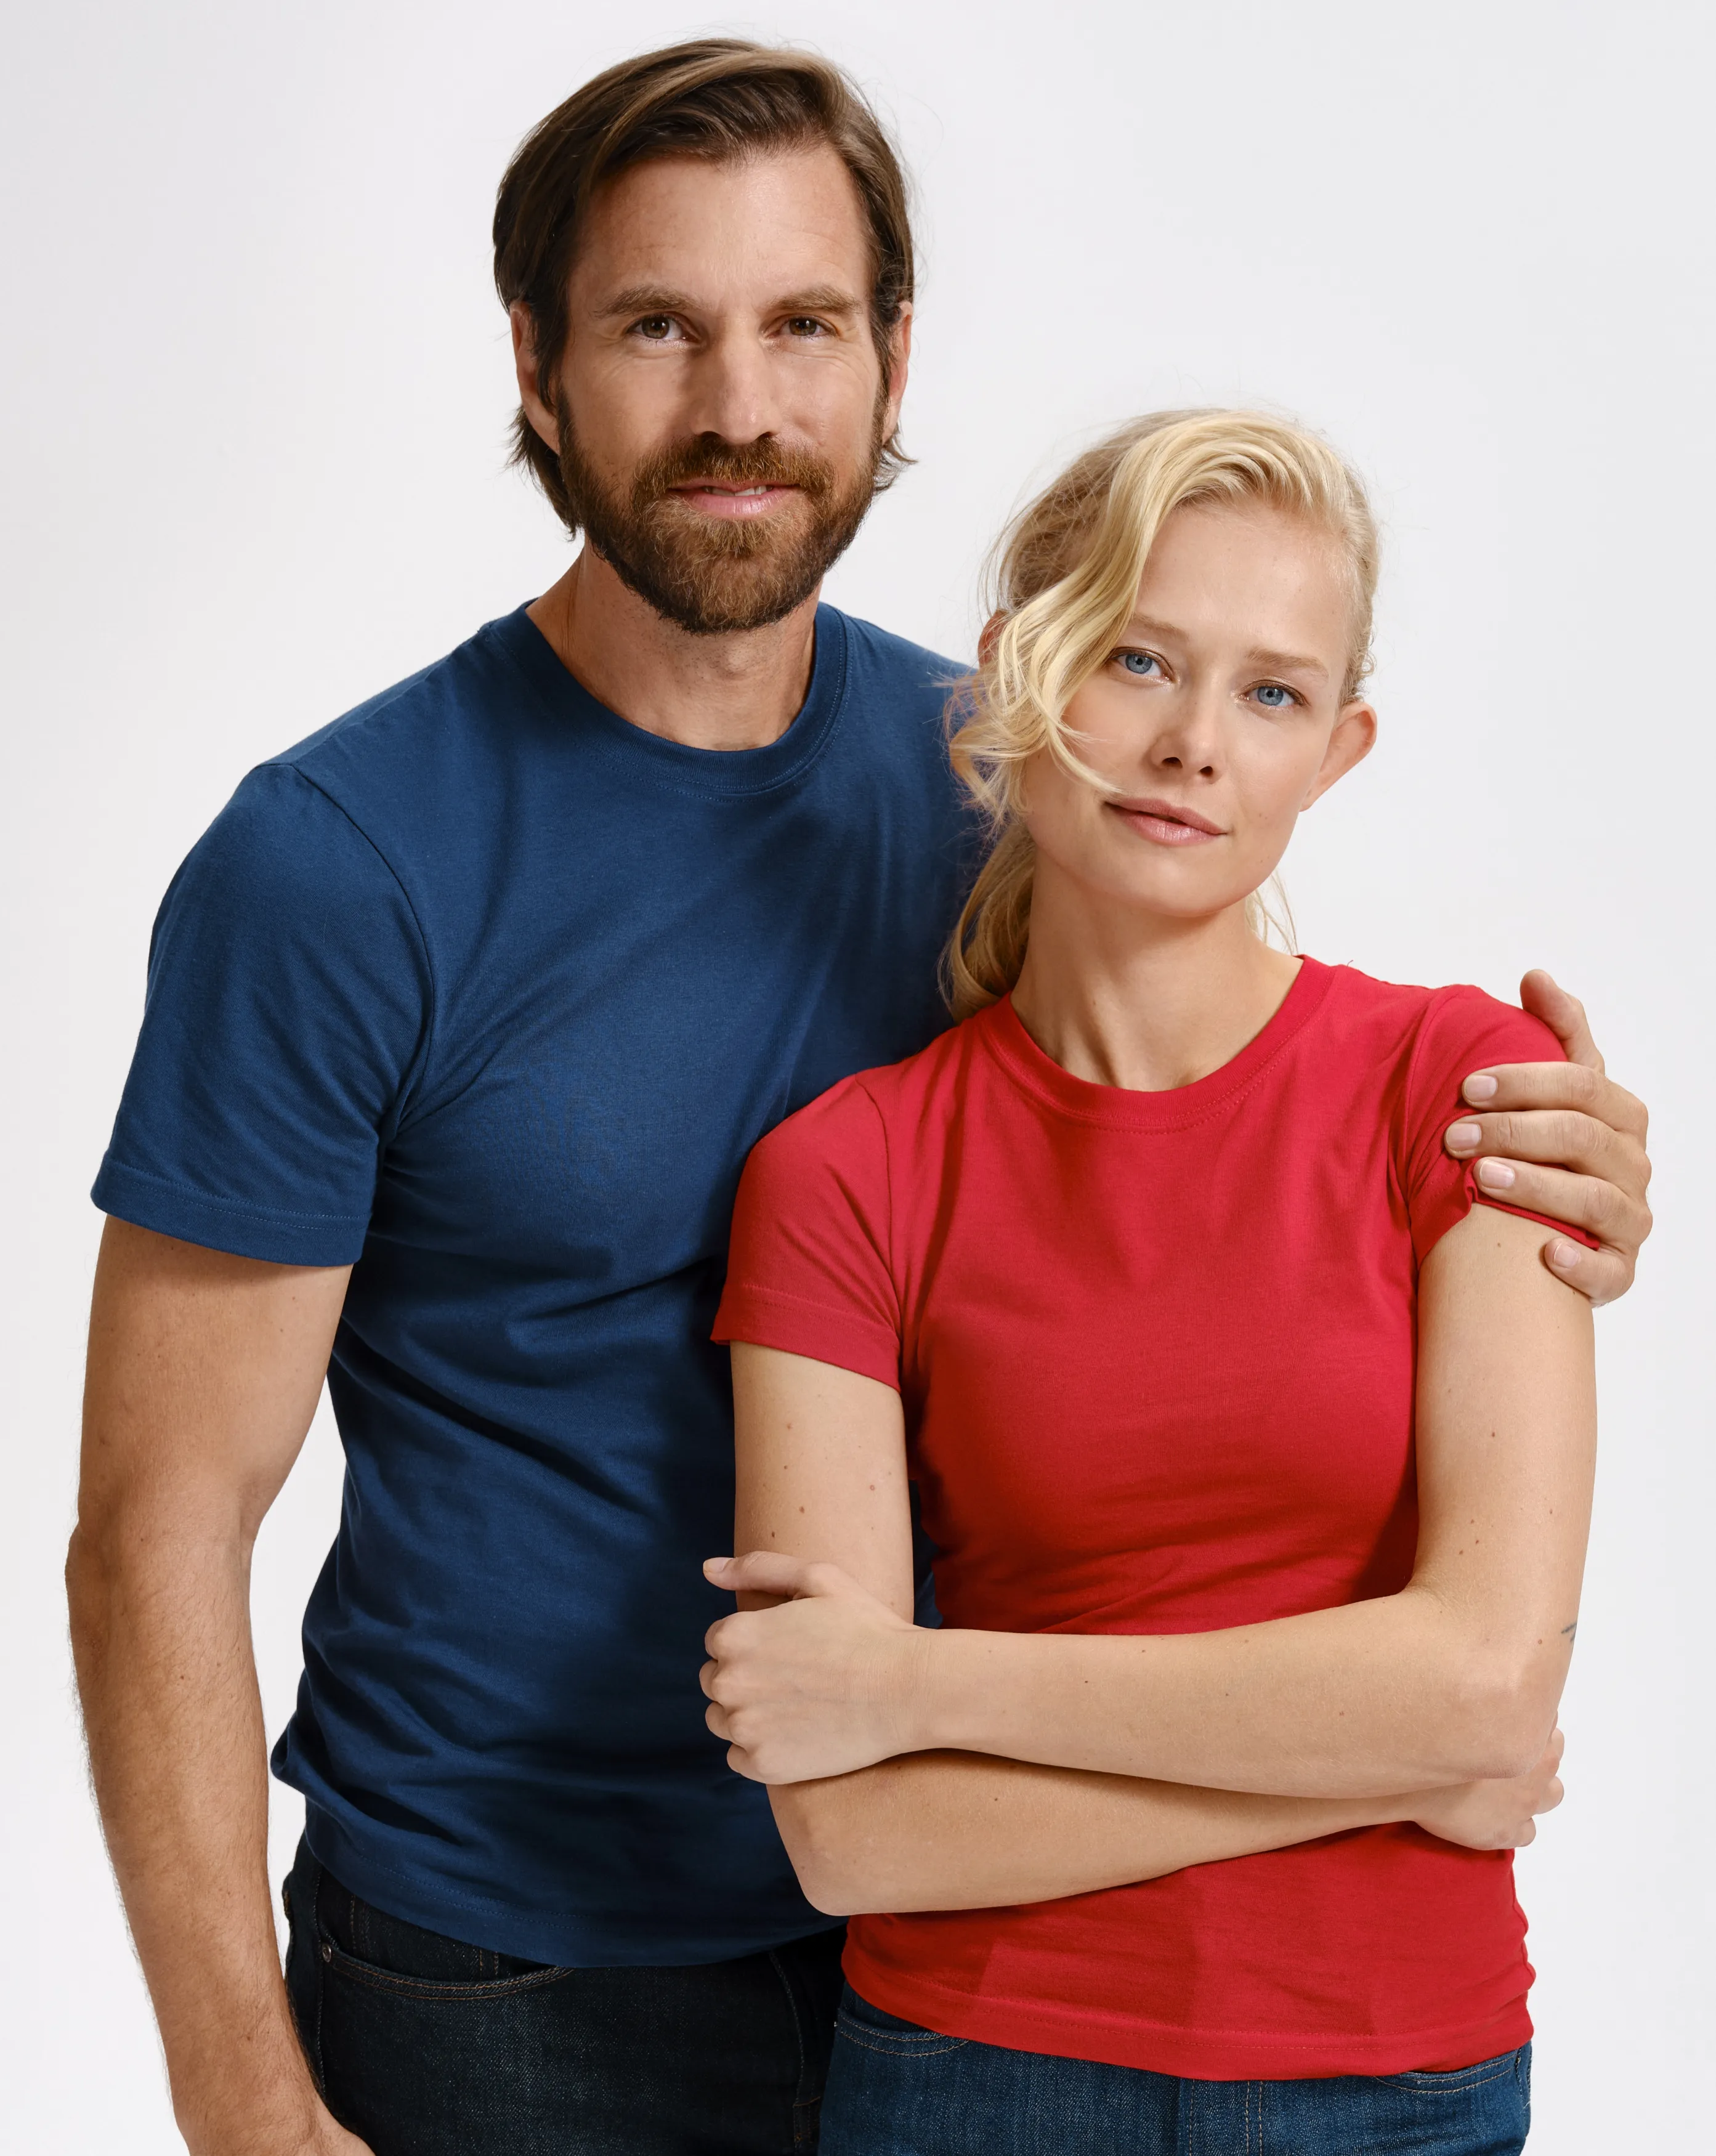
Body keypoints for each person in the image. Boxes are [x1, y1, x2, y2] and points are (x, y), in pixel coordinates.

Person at [64, 34, 1648, 2156]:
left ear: (896, 357)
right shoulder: (340, 866)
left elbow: (1226, 1134)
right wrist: (242, 2097)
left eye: (805, 324)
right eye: (658, 326)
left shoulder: (1014, 779)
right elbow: (158, 1527)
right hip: (523, 1972)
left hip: (992, 1950)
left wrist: (1536, 1166)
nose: (742, 403)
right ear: (536, 364)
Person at [703, 410, 1605, 2156]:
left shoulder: (1467, 1091)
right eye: (1138, 658)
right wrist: (1388, 1765)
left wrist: (923, 1688)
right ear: (1017, 671)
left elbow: (1489, 1687)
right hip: (972, 2081)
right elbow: (853, 1835)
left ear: (1336, 751)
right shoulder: (846, 1172)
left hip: (1396, 2087)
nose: (1195, 742)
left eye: (1271, 693)